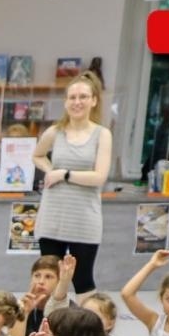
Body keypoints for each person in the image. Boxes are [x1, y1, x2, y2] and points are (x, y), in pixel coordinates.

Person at [32, 72, 111, 301]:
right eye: (72, 97)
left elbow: (99, 176)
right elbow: (37, 155)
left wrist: (64, 174)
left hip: (84, 219)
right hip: (53, 217)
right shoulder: (54, 132)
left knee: (82, 278)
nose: (77, 102)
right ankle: (49, 321)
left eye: (83, 97)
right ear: (65, 102)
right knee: (49, 278)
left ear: (94, 100)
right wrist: (50, 171)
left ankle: (86, 323)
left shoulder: (102, 134)